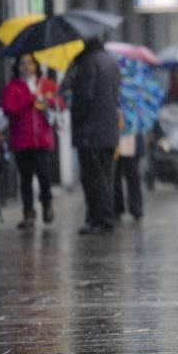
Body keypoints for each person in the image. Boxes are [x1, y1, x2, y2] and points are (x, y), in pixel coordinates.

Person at [0, 54, 65, 229]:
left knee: (44, 175)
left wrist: (48, 99)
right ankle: (28, 212)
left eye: (30, 63)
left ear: (36, 65)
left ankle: (47, 204)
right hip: (22, 141)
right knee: (25, 178)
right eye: (22, 63)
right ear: (17, 67)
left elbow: (60, 103)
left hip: (42, 140)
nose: (26, 66)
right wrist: (30, 98)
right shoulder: (12, 87)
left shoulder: (46, 84)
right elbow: (9, 108)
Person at [62, 38, 121, 235]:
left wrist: (76, 116)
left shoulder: (87, 63)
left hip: (90, 132)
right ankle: (104, 217)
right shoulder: (111, 61)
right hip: (108, 130)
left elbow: (84, 97)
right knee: (105, 176)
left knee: (93, 178)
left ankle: (100, 219)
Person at [114, 130, 144, 221]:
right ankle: (117, 207)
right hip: (116, 135)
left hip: (131, 134)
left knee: (132, 173)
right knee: (116, 174)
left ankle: (135, 207)